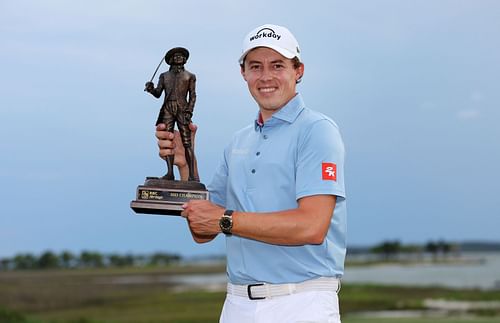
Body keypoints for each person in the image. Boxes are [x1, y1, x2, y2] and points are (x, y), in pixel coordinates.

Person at [156, 24, 346, 323]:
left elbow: (312, 225)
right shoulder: (238, 142)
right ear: (243, 73)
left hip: (301, 302)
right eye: (255, 66)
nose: (266, 76)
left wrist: (225, 219)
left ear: (299, 70)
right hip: (237, 304)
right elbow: (202, 231)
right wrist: (184, 164)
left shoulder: (317, 130)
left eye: (278, 65)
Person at [145, 47, 198, 182]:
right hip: (168, 108)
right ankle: (170, 173)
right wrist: (151, 89)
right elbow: (158, 93)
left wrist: (189, 111)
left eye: (181, 56)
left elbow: (193, 96)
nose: (179, 58)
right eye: (175, 56)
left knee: (187, 143)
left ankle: (191, 175)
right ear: (170, 60)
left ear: (185, 59)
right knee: (168, 141)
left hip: (182, 109)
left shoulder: (190, 76)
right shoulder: (164, 76)